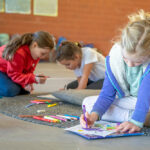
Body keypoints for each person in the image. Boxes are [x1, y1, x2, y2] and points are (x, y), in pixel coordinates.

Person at [80, 10, 150, 133]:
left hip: (146, 101)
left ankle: (139, 118)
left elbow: (145, 95)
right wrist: (94, 116)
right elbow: (107, 94)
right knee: (88, 104)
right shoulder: (115, 57)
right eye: (125, 58)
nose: (130, 64)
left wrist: (136, 121)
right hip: (133, 101)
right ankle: (143, 118)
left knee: (141, 108)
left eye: (138, 62)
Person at [0, 31, 54, 97]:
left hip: (10, 71)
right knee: (12, 90)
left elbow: (28, 71)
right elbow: (15, 75)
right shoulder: (19, 53)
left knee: (25, 91)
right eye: (43, 53)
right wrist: (34, 78)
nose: (44, 56)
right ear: (35, 45)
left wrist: (28, 83)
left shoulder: (36, 54)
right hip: (2, 70)